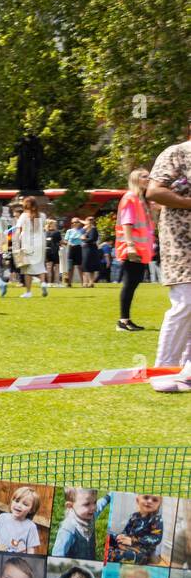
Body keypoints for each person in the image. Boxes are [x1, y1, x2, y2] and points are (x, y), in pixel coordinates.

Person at [145, 122, 191, 392]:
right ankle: (163, 369)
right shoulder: (175, 153)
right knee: (185, 302)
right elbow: (154, 191)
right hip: (180, 241)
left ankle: (186, 371)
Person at [116, 168, 154, 331]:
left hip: (141, 250)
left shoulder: (142, 200)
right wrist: (130, 246)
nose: (148, 178)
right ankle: (123, 321)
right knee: (129, 284)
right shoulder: (130, 197)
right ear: (136, 180)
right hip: (132, 250)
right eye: (144, 176)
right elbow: (127, 223)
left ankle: (126, 320)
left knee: (133, 284)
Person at [12, 196, 48, 298]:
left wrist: (16, 244)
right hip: (40, 243)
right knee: (40, 266)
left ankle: (28, 292)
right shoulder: (43, 215)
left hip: (27, 242)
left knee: (27, 268)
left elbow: (18, 230)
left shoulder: (23, 216)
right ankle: (43, 283)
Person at [44, 218, 62, 286]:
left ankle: (49, 282)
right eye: (55, 224)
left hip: (47, 251)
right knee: (56, 267)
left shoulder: (45, 232)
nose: (56, 225)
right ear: (51, 224)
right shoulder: (57, 232)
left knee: (48, 267)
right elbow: (60, 242)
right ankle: (57, 282)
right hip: (54, 251)